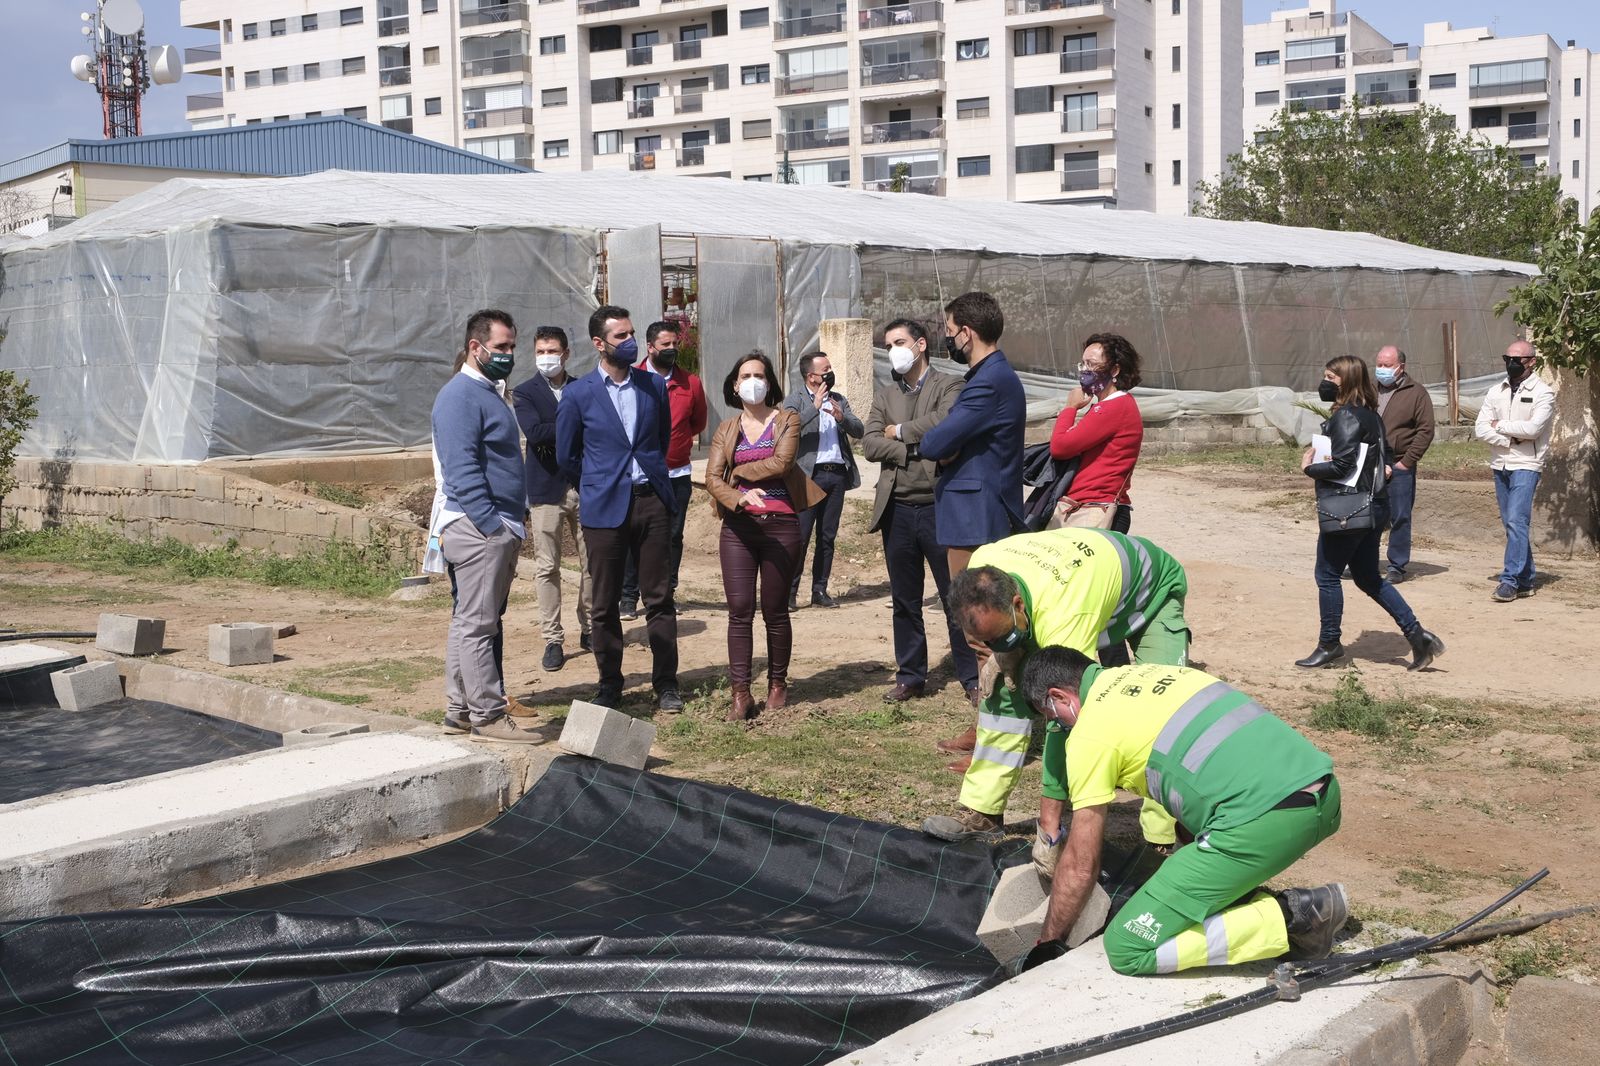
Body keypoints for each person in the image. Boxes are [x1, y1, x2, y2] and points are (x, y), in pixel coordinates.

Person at [1015, 647, 1348, 977]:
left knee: (1127, 946)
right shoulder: (1163, 674)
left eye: (1052, 717)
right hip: (1323, 796)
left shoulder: (1090, 733)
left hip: (1264, 821)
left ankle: (1295, 918)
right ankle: (1252, 902)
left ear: (1059, 696)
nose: (1058, 727)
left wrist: (1049, 943)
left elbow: (1080, 867)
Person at [928, 528, 1192, 858]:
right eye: (990, 640)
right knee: (1001, 693)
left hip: (1151, 590)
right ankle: (983, 811)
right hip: (1080, 579)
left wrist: (1049, 819)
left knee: (1160, 710)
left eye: (1004, 636)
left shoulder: (1065, 614)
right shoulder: (980, 567)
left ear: (1018, 604)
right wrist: (1004, 652)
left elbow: (1065, 716)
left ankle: (1163, 837)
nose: (999, 647)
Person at [555, 304, 682, 712]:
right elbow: (566, 455)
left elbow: (658, 442)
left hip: (651, 502)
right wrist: (596, 484)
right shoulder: (577, 394)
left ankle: (667, 683)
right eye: (620, 337)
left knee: (659, 597)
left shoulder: (652, 387)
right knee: (605, 602)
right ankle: (610, 683)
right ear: (599, 343)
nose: (629, 343)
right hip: (603, 507)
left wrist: (646, 478)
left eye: (630, 335)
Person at [919, 291, 1027, 768]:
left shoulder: (989, 382)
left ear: (966, 330)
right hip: (974, 512)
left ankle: (997, 738)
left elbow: (937, 440)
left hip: (976, 517)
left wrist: (942, 445)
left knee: (983, 628)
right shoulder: (989, 377)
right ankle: (989, 725)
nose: (946, 335)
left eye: (949, 327)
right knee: (979, 628)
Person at [1296, 355, 1445, 671]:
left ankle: (1330, 644)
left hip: (1349, 510)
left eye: (1330, 378)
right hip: (1373, 507)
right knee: (1367, 578)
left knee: (1327, 575)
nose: (1324, 383)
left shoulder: (1347, 417)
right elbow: (1385, 459)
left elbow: (1342, 465)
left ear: (1346, 382)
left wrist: (1310, 467)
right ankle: (1418, 636)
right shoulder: (1371, 416)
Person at [431, 309, 538, 744]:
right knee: (479, 625)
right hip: (479, 528)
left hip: (489, 523)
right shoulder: (460, 396)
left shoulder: (487, 393)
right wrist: (493, 527)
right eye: (502, 348)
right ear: (476, 348)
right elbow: (461, 469)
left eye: (513, 347)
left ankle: (459, 710)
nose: (510, 355)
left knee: (467, 621)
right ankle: (489, 717)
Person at [861, 318, 980, 707]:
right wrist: (913, 446)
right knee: (904, 600)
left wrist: (898, 432)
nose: (893, 348)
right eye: (888, 343)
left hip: (938, 507)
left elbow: (945, 422)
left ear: (921, 345)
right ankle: (911, 676)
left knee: (956, 597)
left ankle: (972, 676)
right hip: (897, 510)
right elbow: (869, 443)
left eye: (899, 341)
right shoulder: (884, 394)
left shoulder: (948, 385)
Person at [704, 352, 823, 721]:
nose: (753, 380)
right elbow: (711, 479)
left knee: (775, 611)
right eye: (745, 375)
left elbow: (782, 463)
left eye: (759, 374)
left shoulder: (787, 419)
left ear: (769, 383)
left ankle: (777, 684)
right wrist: (738, 496)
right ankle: (740, 693)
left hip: (781, 526)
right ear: (735, 385)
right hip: (738, 528)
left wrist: (737, 472)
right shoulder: (726, 428)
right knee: (739, 612)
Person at [512, 326, 592, 673]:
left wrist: (558, 428)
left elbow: (592, 428)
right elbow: (535, 432)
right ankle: (553, 638)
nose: (547, 357)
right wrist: (572, 425)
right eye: (541, 351)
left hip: (583, 485)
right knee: (547, 566)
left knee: (593, 562)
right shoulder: (525, 392)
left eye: (553, 351)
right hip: (545, 489)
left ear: (566, 353)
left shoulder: (583, 388)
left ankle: (591, 628)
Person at [619, 320, 708, 618]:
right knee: (634, 534)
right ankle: (628, 596)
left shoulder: (690, 382)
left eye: (674, 344)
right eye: (665, 345)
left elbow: (698, 423)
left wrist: (677, 444)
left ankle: (665, 592)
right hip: (639, 474)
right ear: (650, 347)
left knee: (672, 535)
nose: (671, 349)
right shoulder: (633, 379)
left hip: (676, 473)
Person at [1474, 340, 1555, 603]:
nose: (1511, 363)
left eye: (1517, 359)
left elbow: (1533, 430)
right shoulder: (1496, 391)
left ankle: (1509, 581)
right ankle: (1526, 579)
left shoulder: (1543, 392)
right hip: (1500, 463)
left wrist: (1500, 425)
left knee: (1516, 521)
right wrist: (1507, 438)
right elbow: (1481, 428)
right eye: (1507, 357)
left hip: (1527, 464)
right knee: (1511, 523)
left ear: (1531, 361)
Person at [784, 350, 864, 610]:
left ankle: (820, 590)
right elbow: (788, 428)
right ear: (811, 376)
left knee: (827, 536)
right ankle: (790, 593)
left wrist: (842, 417)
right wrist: (814, 407)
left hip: (836, 474)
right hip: (809, 476)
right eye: (825, 369)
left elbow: (858, 428)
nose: (830, 372)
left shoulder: (839, 399)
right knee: (801, 536)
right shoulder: (795, 399)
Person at [1048, 333, 1144, 532]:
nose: (1085, 370)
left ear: (1115, 370)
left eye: (1091, 364)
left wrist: (1070, 407)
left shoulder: (1115, 407)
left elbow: (1060, 446)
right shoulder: (1109, 406)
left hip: (1096, 508)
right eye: (1082, 364)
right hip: (1086, 505)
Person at [1374, 346, 1435, 584]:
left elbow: (1426, 430)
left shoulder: (1416, 393)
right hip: (1371, 461)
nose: (1381, 369)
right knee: (1368, 515)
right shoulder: (1369, 390)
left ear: (1401, 367)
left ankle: (1397, 566)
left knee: (1400, 515)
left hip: (1398, 463)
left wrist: (1406, 462)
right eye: (1379, 364)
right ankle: (1364, 561)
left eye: (1387, 365)